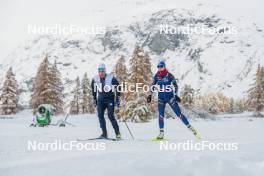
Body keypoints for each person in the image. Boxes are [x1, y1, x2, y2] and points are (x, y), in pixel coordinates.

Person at [147, 61, 200, 140]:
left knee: (179, 114)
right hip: (161, 98)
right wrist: (150, 95)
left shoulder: (169, 75)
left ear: (164, 67)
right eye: (158, 67)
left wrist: (176, 95)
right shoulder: (156, 76)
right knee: (161, 116)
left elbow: (175, 85)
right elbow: (153, 85)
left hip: (170, 97)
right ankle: (161, 134)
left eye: (161, 67)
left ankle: (191, 128)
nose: (159, 68)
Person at [91, 63, 121, 140]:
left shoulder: (111, 78)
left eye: (102, 71)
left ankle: (117, 133)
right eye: (99, 71)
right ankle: (104, 133)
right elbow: (93, 90)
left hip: (110, 99)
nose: (101, 72)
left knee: (111, 116)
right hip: (100, 100)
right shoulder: (95, 79)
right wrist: (94, 99)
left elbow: (118, 87)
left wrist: (117, 98)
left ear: (105, 71)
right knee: (100, 115)